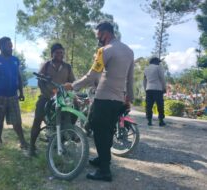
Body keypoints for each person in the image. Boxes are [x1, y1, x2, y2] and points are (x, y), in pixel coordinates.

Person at [64, 21, 134, 182]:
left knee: (100, 132)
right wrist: (129, 98)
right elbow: (130, 78)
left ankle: (104, 171)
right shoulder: (129, 51)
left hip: (103, 99)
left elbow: (92, 75)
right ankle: (103, 160)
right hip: (118, 100)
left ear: (105, 33)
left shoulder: (105, 50)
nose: (98, 40)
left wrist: (73, 85)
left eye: (98, 36)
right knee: (108, 131)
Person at [29, 43, 75, 156]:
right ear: (52, 54)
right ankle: (31, 147)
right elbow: (40, 81)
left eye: (62, 53)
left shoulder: (67, 67)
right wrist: (48, 95)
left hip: (62, 98)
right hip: (46, 97)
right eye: (57, 52)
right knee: (37, 119)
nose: (60, 55)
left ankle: (60, 144)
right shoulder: (46, 65)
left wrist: (70, 93)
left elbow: (72, 82)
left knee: (69, 117)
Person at [0, 36, 27, 149]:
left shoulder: (15, 60)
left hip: (13, 96)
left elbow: (19, 77)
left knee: (17, 121)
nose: (11, 48)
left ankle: (22, 141)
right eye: (8, 46)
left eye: (11, 46)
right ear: (1, 47)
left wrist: (21, 92)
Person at [143, 57, 166, 126]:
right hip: (158, 89)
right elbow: (162, 78)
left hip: (149, 89)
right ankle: (161, 121)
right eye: (158, 62)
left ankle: (149, 120)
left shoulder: (146, 69)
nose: (159, 63)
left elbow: (144, 80)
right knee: (160, 105)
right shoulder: (158, 68)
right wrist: (164, 88)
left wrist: (145, 89)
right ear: (155, 61)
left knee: (149, 106)